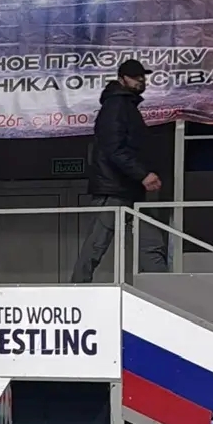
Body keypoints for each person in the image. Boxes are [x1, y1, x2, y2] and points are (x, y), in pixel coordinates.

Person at [71, 59, 168, 281]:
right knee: (96, 246)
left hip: (129, 190)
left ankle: (163, 290)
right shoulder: (116, 106)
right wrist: (143, 174)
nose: (141, 80)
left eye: (142, 76)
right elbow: (113, 148)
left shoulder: (125, 106)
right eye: (135, 77)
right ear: (122, 79)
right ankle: (76, 289)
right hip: (113, 190)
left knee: (151, 243)